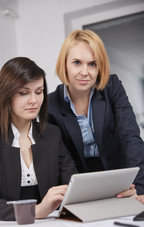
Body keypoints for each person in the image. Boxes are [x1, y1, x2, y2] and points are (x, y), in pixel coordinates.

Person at [47, 29, 144, 195]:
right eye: (77, 62)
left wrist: (140, 189)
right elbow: (61, 160)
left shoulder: (112, 87)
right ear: (64, 64)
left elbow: (130, 137)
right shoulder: (50, 105)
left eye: (92, 64)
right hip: (78, 179)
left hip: (120, 175)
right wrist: (77, 195)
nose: (85, 72)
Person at [0, 57, 78, 221]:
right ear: (5, 94)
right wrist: (36, 210)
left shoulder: (52, 134)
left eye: (39, 92)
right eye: (24, 93)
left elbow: (74, 187)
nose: (34, 100)